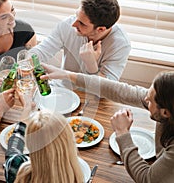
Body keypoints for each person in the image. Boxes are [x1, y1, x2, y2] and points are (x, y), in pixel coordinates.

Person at [41, 63, 174, 183]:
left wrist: (122, 133)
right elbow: (118, 90)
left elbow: (146, 178)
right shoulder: (167, 101)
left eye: (150, 101)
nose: (145, 99)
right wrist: (67, 75)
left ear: (165, 113)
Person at [29, 0, 130, 86]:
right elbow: (43, 50)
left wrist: (91, 66)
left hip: (94, 98)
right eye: (76, 15)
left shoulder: (120, 44)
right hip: (64, 88)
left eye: (82, 23)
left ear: (100, 29)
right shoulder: (68, 24)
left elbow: (107, 88)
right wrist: (23, 61)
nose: (73, 24)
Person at [4, 94, 84, 183]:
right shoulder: (76, 175)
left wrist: (27, 109)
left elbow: (13, 150)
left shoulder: (18, 170)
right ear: (70, 142)